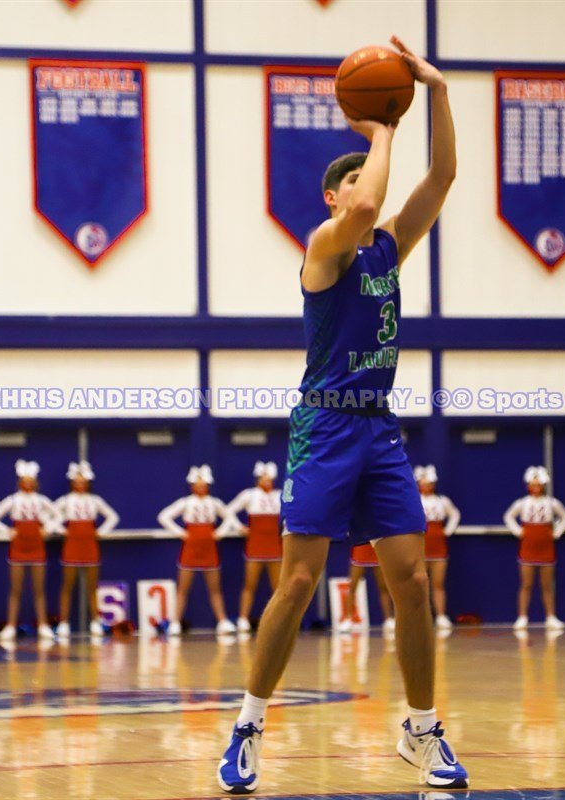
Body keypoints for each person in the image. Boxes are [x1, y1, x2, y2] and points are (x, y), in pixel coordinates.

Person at [216, 35, 463, 794]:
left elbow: (442, 177)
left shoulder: (389, 249)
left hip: (378, 426)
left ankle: (422, 728)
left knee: (412, 581)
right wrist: (381, 129)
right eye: (355, 179)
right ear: (332, 197)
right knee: (297, 583)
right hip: (322, 426)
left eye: (370, 171)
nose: (368, 188)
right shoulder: (324, 247)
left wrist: (438, 93)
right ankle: (248, 726)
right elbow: (366, 203)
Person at [0, 460, 62, 642]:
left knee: (39, 589)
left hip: (37, 546)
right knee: (15, 589)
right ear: (19, 482)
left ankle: (43, 625)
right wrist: (7, 531)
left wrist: (48, 528)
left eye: (30, 481)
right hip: (19, 546)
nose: (27, 484)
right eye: (24, 481)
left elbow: (58, 515)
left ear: (35, 482)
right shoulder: (12, 500)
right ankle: (11, 626)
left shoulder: (41, 500)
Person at [158, 465, 237, 636]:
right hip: (190, 547)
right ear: (192, 486)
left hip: (209, 547)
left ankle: (222, 621)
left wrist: (220, 533)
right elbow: (164, 516)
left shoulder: (214, 503)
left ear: (208, 485)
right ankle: (175, 622)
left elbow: (230, 517)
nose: (201, 488)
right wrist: (180, 533)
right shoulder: (185, 502)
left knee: (215, 588)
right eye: (197, 485)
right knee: (183, 588)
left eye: (204, 485)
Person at [53, 460, 119, 640]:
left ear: (88, 483)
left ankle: (95, 621)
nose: (80, 485)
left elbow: (112, 517)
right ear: (72, 482)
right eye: (77, 481)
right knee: (67, 586)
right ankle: (64, 623)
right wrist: (60, 529)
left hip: (90, 544)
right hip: (72, 544)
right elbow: (46, 515)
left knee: (92, 586)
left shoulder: (94, 500)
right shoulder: (65, 500)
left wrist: (101, 531)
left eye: (83, 482)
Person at [218, 461, 283, 634]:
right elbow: (227, 510)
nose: (266, 481)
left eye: (269, 478)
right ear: (257, 479)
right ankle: (243, 619)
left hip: (275, 545)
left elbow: (292, 512)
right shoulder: (249, 495)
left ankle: (278, 619)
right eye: (263, 478)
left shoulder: (280, 495)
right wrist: (239, 527)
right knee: (249, 584)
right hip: (255, 545)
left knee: (278, 586)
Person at [504, 466, 565, 631]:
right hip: (528, 546)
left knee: (547, 585)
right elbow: (508, 516)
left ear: (543, 485)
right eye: (532, 484)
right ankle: (522, 617)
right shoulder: (522, 503)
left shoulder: (551, 502)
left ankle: (550, 617)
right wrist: (518, 531)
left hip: (546, 547)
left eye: (538, 484)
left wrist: (557, 532)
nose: (535, 487)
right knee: (526, 584)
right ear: (528, 485)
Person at [415, 465, 460, 631]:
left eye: (429, 484)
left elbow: (455, 514)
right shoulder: (413, 500)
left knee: (438, 583)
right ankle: (421, 616)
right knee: (420, 584)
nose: (426, 486)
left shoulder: (442, 501)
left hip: (438, 547)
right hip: (419, 545)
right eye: (423, 483)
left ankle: (441, 616)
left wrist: (447, 531)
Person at [340, 541, 395, 634]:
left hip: (376, 549)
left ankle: (388, 620)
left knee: (383, 587)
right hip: (361, 547)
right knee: (352, 586)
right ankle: (347, 619)